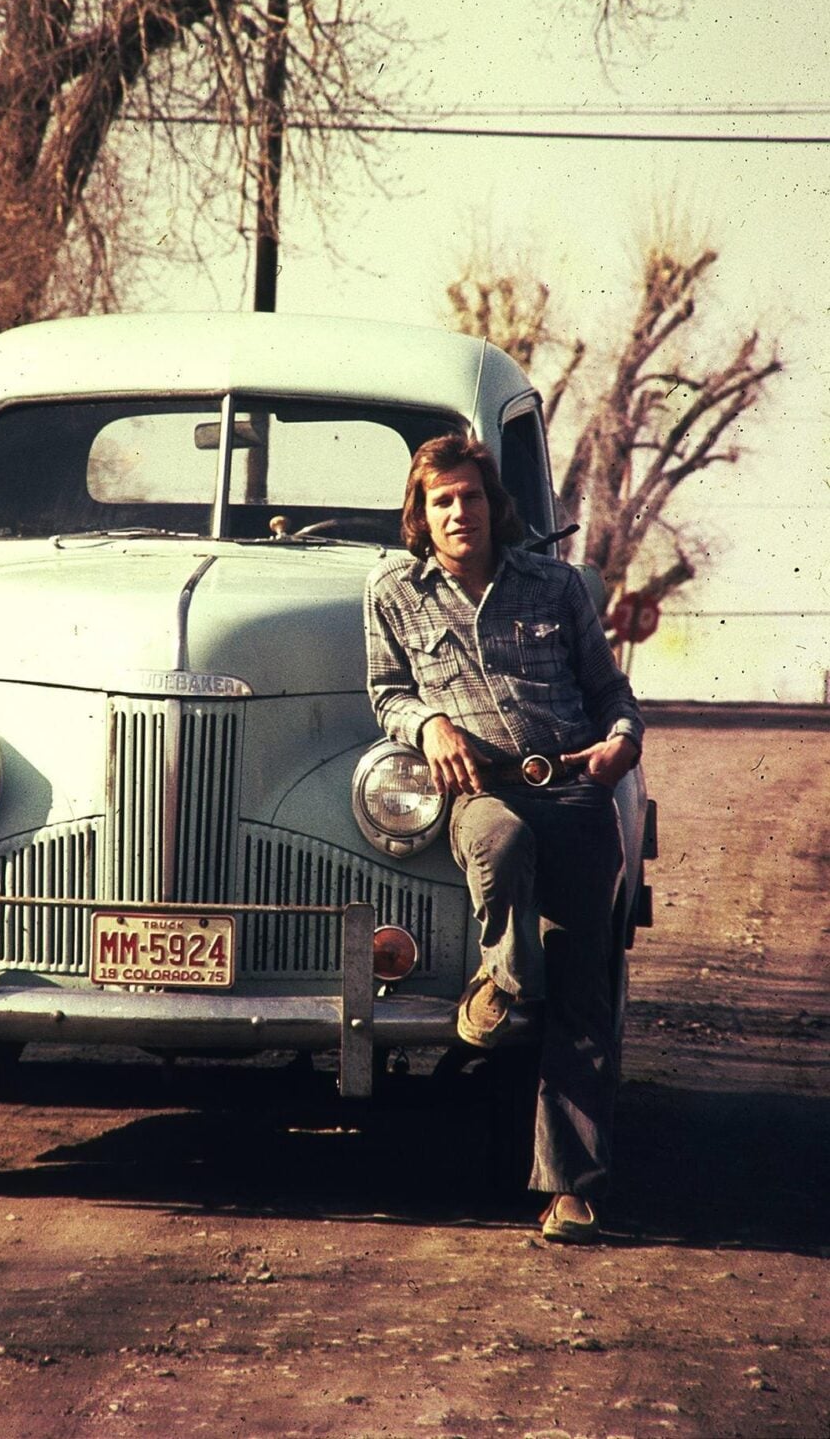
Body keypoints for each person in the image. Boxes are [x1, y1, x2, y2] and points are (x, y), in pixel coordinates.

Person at [364, 432, 644, 1243]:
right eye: (442, 500)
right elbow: (385, 692)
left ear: (495, 505)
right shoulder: (394, 592)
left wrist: (623, 742)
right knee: (501, 843)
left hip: (573, 789)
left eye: (472, 496)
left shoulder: (554, 585)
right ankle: (506, 974)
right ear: (420, 513)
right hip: (480, 791)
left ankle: (569, 1187)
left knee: (585, 987)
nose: (460, 512)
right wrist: (429, 723)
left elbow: (612, 692)